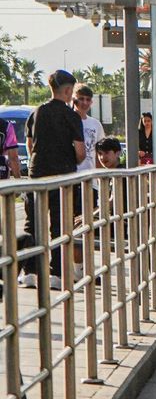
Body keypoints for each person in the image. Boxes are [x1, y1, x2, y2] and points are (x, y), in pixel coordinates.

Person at [22, 70, 85, 289]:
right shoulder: (71, 116)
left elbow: (30, 145)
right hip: (62, 175)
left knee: (33, 223)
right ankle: (56, 274)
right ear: (67, 90)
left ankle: (29, 271)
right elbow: (80, 151)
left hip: (36, 173)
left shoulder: (36, 112)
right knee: (59, 225)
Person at [72, 84, 103, 172]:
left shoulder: (96, 124)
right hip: (71, 177)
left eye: (88, 99)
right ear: (74, 100)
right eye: (81, 99)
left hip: (91, 178)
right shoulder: (67, 121)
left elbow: (99, 153)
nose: (85, 103)